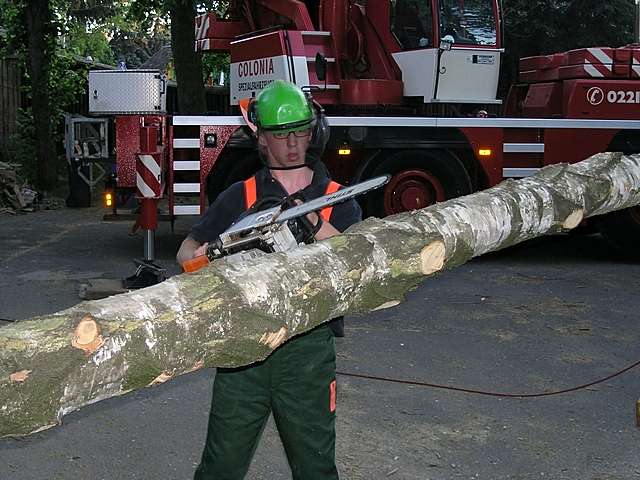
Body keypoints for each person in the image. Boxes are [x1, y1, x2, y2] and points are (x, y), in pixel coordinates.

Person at [176, 80, 362, 480]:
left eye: (300, 131)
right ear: (261, 138)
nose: (292, 144)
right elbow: (187, 254)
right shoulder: (240, 195)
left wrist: (309, 220)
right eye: (281, 134)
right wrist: (224, 250)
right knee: (220, 467)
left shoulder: (335, 197)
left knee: (315, 467)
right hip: (243, 351)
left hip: (307, 352)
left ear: (315, 131)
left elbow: (355, 262)